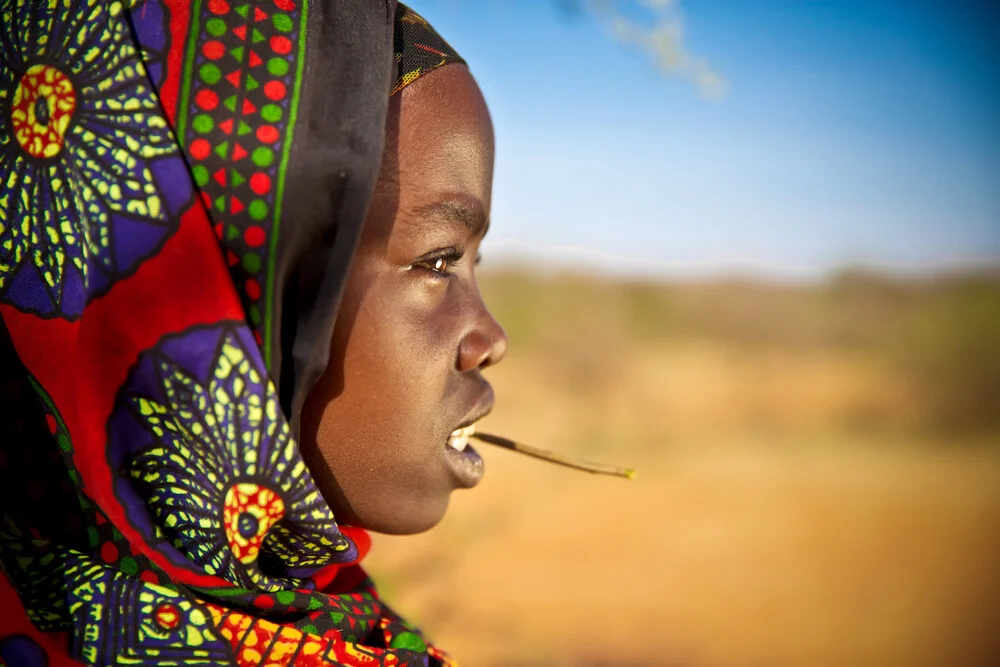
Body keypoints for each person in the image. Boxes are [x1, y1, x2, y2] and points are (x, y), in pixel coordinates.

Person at [0, 1, 504, 665]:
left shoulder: (331, 616)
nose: (489, 338)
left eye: (474, 262)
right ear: (235, 291)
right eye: (438, 260)